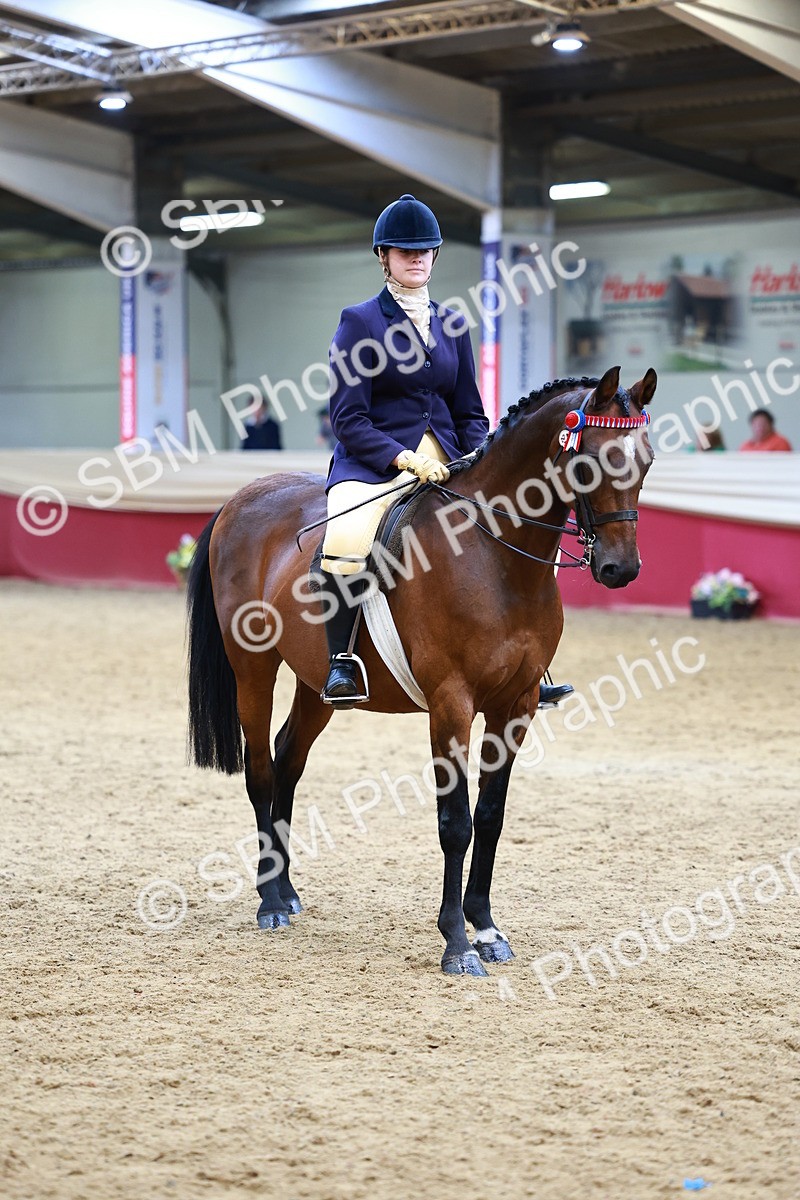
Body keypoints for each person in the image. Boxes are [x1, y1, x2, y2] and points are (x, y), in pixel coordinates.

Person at [318, 192, 573, 710]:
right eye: (403, 251)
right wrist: (404, 458)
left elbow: (471, 411)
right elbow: (347, 418)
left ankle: (531, 662)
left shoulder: (454, 324)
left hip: (454, 461)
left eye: (424, 250)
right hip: (376, 463)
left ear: (435, 256)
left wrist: (483, 460)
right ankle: (341, 661)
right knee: (347, 534)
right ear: (384, 256)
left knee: (513, 526)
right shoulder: (359, 322)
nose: (415, 258)